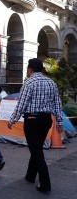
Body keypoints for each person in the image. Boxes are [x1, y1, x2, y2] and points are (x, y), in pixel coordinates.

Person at [7, 58, 63, 194]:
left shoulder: (29, 82)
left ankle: (45, 184)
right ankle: (30, 176)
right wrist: (60, 122)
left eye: (27, 68)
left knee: (36, 150)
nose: (27, 71)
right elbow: (57, 104)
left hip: (32, 120)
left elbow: (22, 104)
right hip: (46, 120)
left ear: (30, 69)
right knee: (36, 147)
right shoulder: (51, 82)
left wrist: (12, 120)